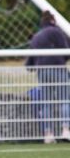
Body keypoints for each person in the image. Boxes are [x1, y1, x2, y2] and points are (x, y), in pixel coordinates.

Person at [25, 11, 70, 144]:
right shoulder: (56, 31)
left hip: (42, 72)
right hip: (58, 68)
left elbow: (29, 63)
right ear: (53, 20)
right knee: (64, 99)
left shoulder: (36, 36)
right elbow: (66, 50)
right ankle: (66, 130)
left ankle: (48, 134)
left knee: (46, 103)